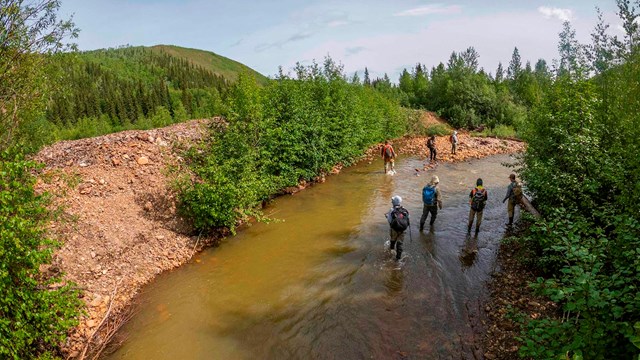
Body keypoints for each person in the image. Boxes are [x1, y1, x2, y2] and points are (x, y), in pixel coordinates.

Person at [386, 195, 410, 260]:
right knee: (400, 244)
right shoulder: (404, 210)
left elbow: (389, 220)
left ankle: (391, 251)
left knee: (393, 240)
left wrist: (387, 216)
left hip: (394, 230)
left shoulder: (392, 210)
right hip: (402, 230)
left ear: (394, 202)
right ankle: (398, 259)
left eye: (392, 200)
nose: (391, 201)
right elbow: (408, 219)